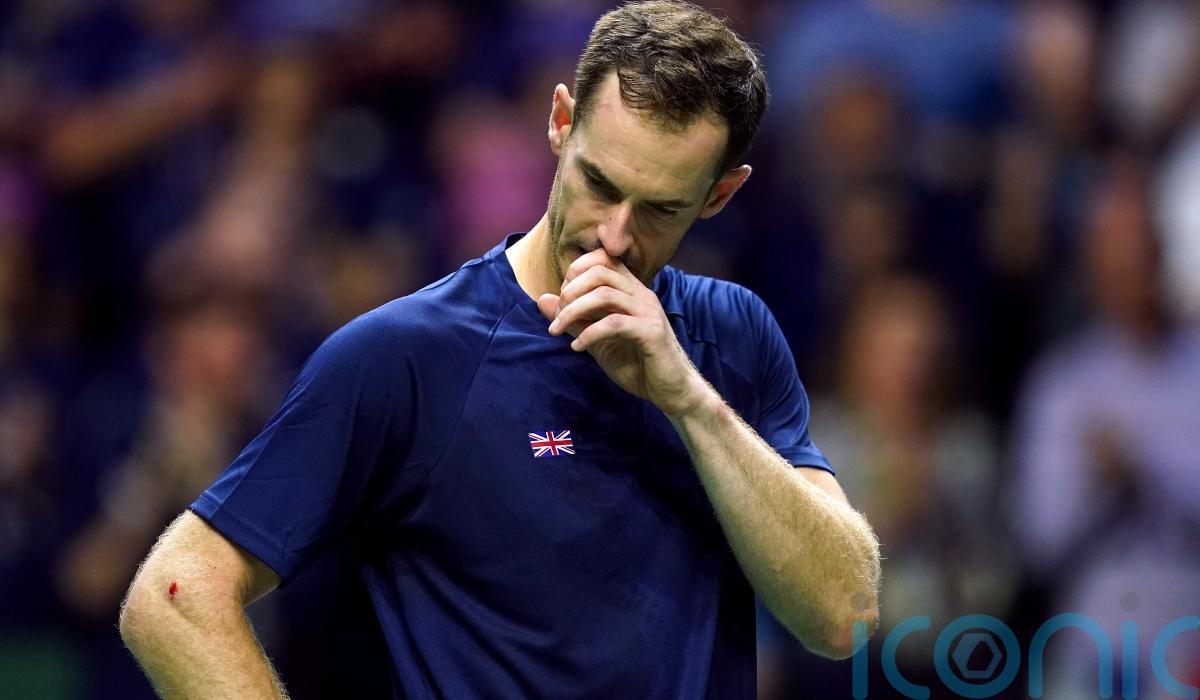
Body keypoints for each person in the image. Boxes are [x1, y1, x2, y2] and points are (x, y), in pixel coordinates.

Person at [118, 2, 881, 697]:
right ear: (560, 122)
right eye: (599, 183)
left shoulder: (734, 334)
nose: (614, 236)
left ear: (720, 194)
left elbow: (843, 616)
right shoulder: (408, 357)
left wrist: (687, 399)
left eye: (659, 209)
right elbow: (175, 596)